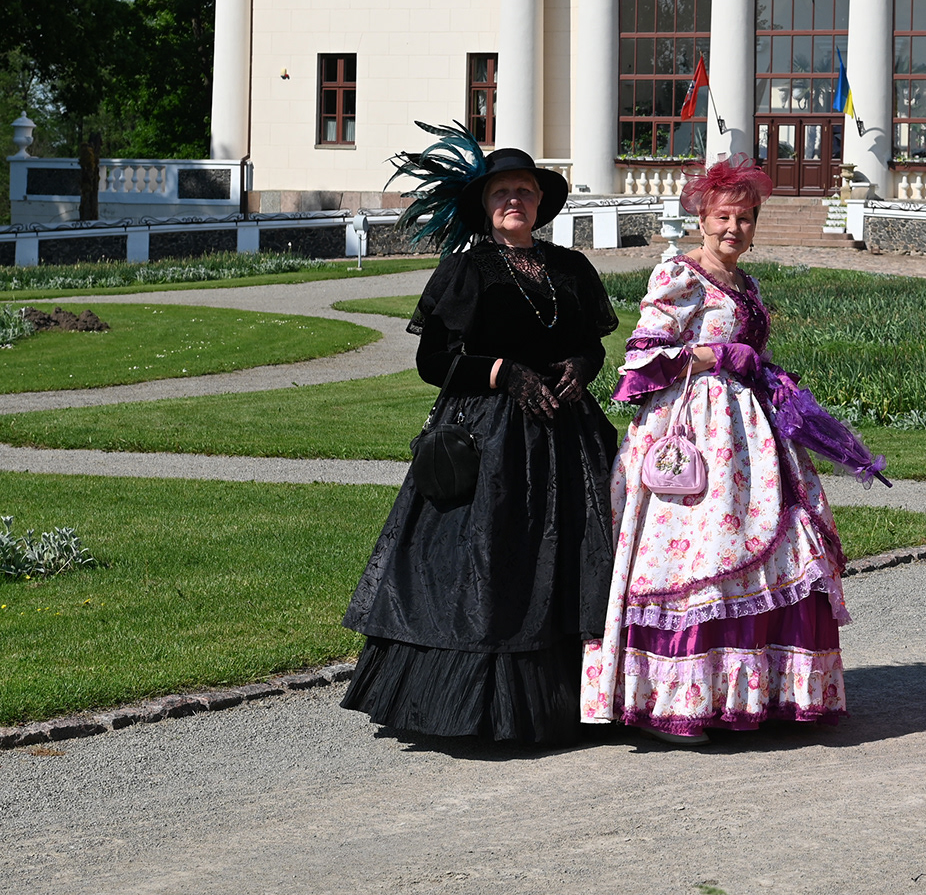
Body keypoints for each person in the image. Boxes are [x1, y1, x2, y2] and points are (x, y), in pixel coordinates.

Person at [582, 155, 888, 745]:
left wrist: (769, 376)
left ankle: (762, 694)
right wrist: (719, 357)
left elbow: (744, 350)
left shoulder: (744, 283)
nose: (733, 230)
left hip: (752, 435)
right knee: (700, 555)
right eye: (724, 217)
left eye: (745, 219)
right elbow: (642, 359)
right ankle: (682, 698)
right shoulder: (679, 274)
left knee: (776, 540)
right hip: (696, 433)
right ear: (701, 216)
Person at [340, 124, 620, 745]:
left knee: (578, 557)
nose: (514, 201)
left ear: (541, 202)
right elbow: (432, 362)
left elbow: (592, 343)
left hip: (568, 436)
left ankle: (575, 701)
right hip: (488, 440)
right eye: (502, 193)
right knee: (490, 562)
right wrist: (500, 371)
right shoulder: (465, 271)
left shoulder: (570, 268)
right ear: (486, 206)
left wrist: (580, 366)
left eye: (524, 190)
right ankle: (475, 709)